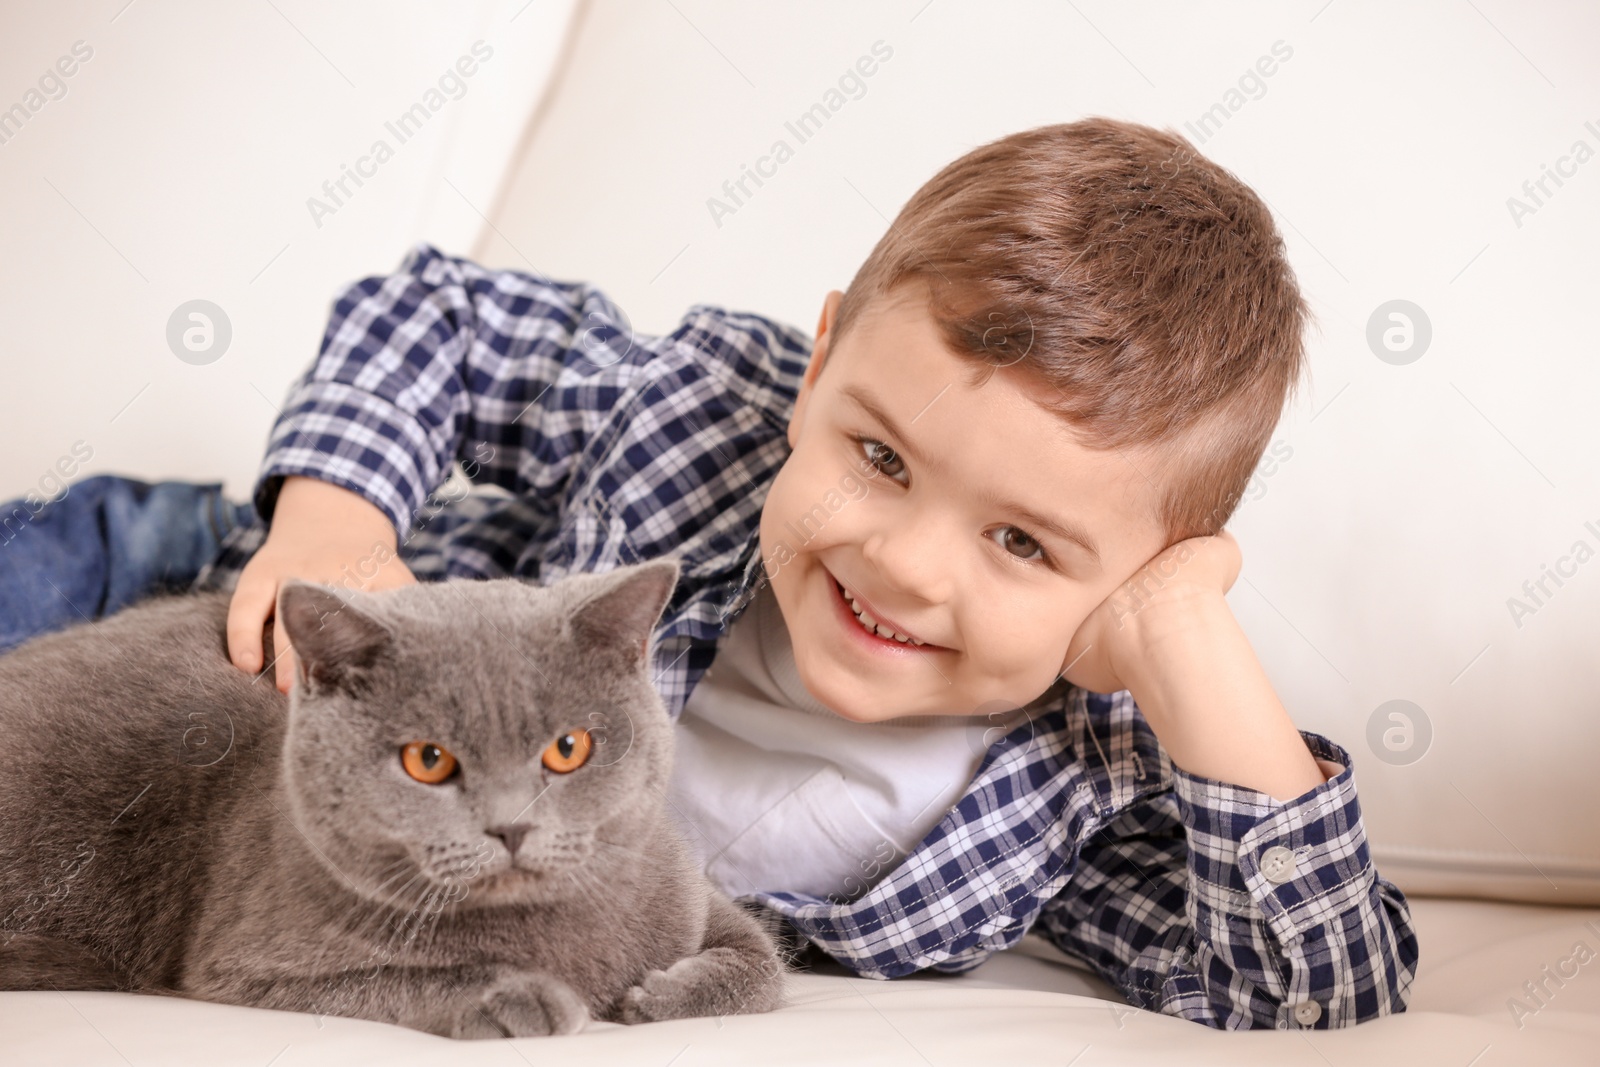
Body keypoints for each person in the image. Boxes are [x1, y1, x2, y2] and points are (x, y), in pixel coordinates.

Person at [0, 117, 1417, 1029]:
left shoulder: (1068, 797)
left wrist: (1186, 642)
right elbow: (437, 315)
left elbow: (1322, 983)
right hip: (193, 599)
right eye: (878, 458)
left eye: (1021, 542)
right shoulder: (693, 409)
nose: (903, 562)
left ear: (1135, 576)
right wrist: (326, 520)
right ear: (815, 371)